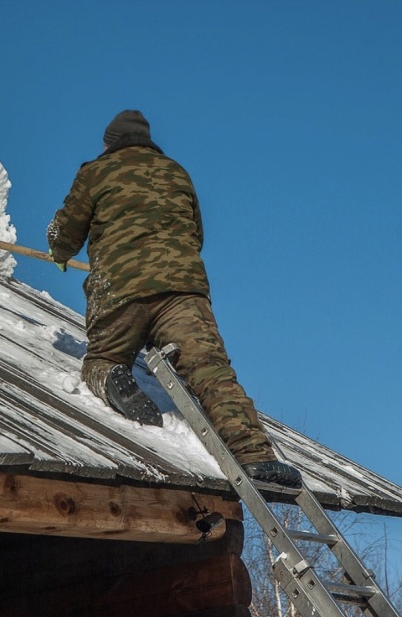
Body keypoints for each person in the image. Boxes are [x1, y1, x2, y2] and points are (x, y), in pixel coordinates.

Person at [46, 110, 302, 488]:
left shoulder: (96, 171)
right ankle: (255, 456)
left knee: (103, 356)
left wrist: (59, 253)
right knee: (211, 370)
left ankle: (112, 376)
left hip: (120, 287)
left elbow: (65, 232)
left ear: (110, 142)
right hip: (183, 288)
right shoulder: (177, 172)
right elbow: (194, 234)